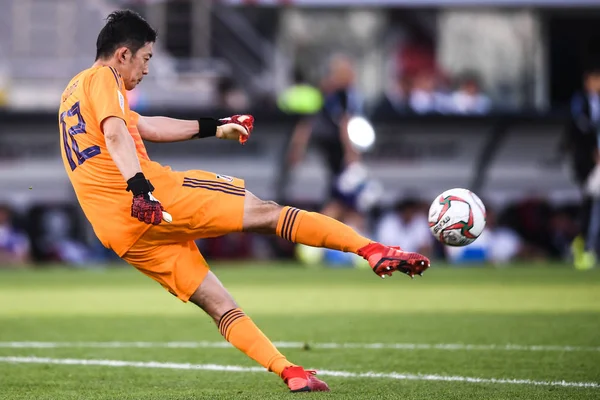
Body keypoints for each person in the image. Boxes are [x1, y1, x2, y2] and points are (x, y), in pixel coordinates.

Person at [58, 10, 430, 393]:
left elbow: (144, 126)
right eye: (146, 58)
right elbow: (118, 135)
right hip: (150, 197)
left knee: (218, 303)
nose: (147, 70)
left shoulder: (75, 90)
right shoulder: (105, 78)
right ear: (123, 55)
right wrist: (141, 190)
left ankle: (289, 372)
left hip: (121, 232)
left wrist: (215, 127)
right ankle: (373, 249)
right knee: (267, 213)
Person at [285, 55, 372, 234]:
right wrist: (352, 154)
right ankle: (311, 237)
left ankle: (344, 241)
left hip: (333, 152)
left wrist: (297, 147)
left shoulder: (326, 93)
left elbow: (306, 124)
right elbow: (344, 123)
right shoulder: (339, 95)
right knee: (342, 201)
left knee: (350, 202)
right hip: (338, 153)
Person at [563, 62, 600, 270]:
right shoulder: (580, 101)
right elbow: (581, 127)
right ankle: (584, 246)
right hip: (587, 161)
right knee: (591, 201)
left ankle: (586, 245)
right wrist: (593, 150)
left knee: (592, 202)